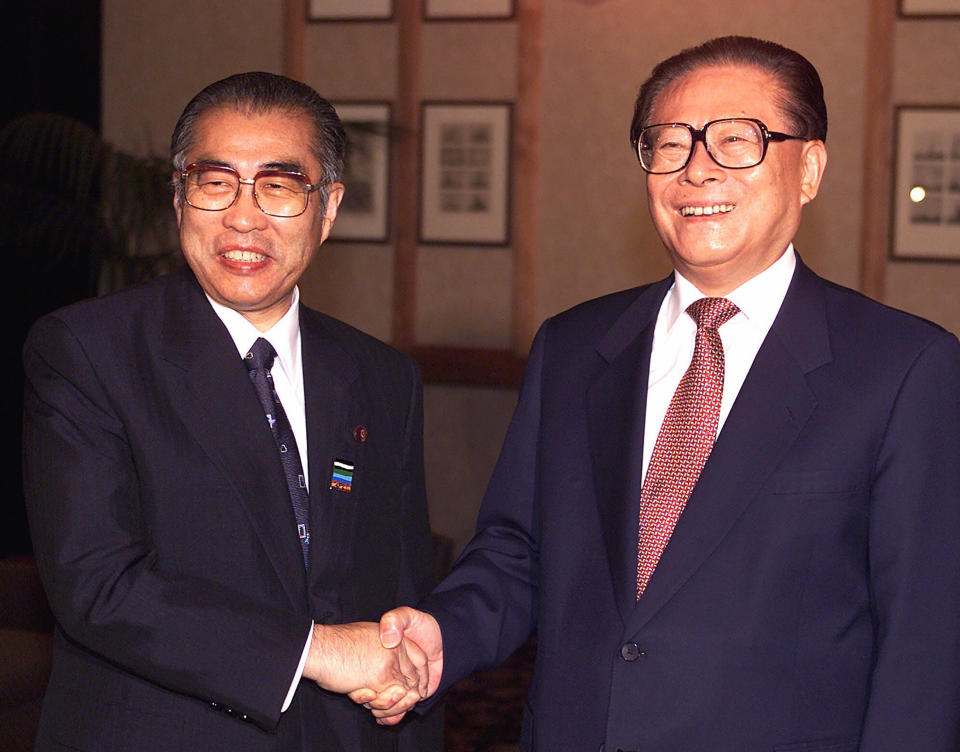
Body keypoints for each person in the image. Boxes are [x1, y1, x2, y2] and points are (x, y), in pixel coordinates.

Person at [365, 36, 960, 751]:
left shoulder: (904, 368)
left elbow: (924, 646)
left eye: (737, 141)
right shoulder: (575, 348)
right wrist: (442, 633)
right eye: (670, 143)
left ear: (810, 168)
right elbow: (520, 549)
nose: (697, 170)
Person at [22, 72, 440, 752]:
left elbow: (400, 593)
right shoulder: (88, 352)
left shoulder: (381, 376)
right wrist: (316, 651)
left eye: (278, 186)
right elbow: (97, 583)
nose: (243, 217)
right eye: (216, 182)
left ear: (327, 208)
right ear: (180, 194)